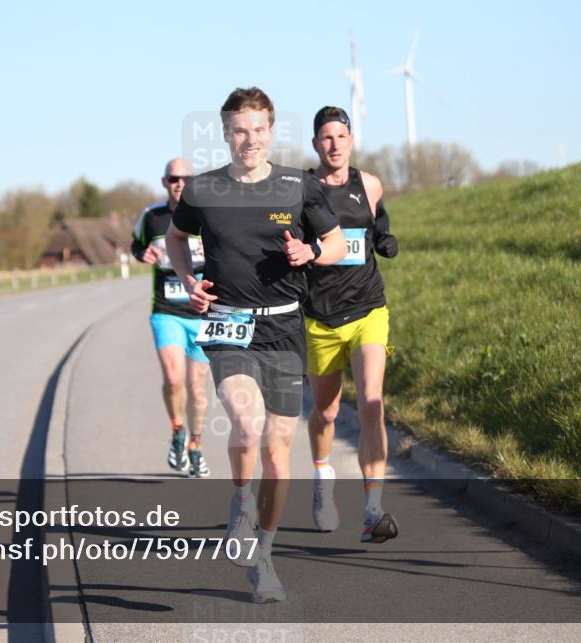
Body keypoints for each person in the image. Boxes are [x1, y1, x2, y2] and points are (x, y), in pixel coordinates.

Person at [165, 88, 347, 603]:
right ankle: (240, 501)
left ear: (272, 131)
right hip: (230, 324)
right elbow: (177, 240)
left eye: (259, 130)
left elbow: (334, 242)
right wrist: (189, 279)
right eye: (240, 130)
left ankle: (263, 558)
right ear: (225, 133)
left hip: (286, 328)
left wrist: (309, 250)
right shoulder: (202, 191)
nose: (250, 139)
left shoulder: (298, 186)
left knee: (277, 454)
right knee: (246, 423)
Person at [304, 106, 400, 543]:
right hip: (320, 319)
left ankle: (373, 509)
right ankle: (323, 479)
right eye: (326, 137)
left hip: (368, 310)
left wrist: (384, 235)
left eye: (341, 136)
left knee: (372, 404)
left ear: (352, 140)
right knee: (325, 411)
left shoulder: (371, 183)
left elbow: (376, 221)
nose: (335, 145)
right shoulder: (301, 192)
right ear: (315, 144)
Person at [131, 158, 212, 477]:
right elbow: (135, 246)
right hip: (166, 312)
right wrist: (143, 254)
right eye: (173, 179)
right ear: (164, 182)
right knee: (175, 378)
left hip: (203, 314)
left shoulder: (207, 215)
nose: (180, 183)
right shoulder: (151, 217)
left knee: (198, 385)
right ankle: (178, 429)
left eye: (186, 178)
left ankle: (196, 445)